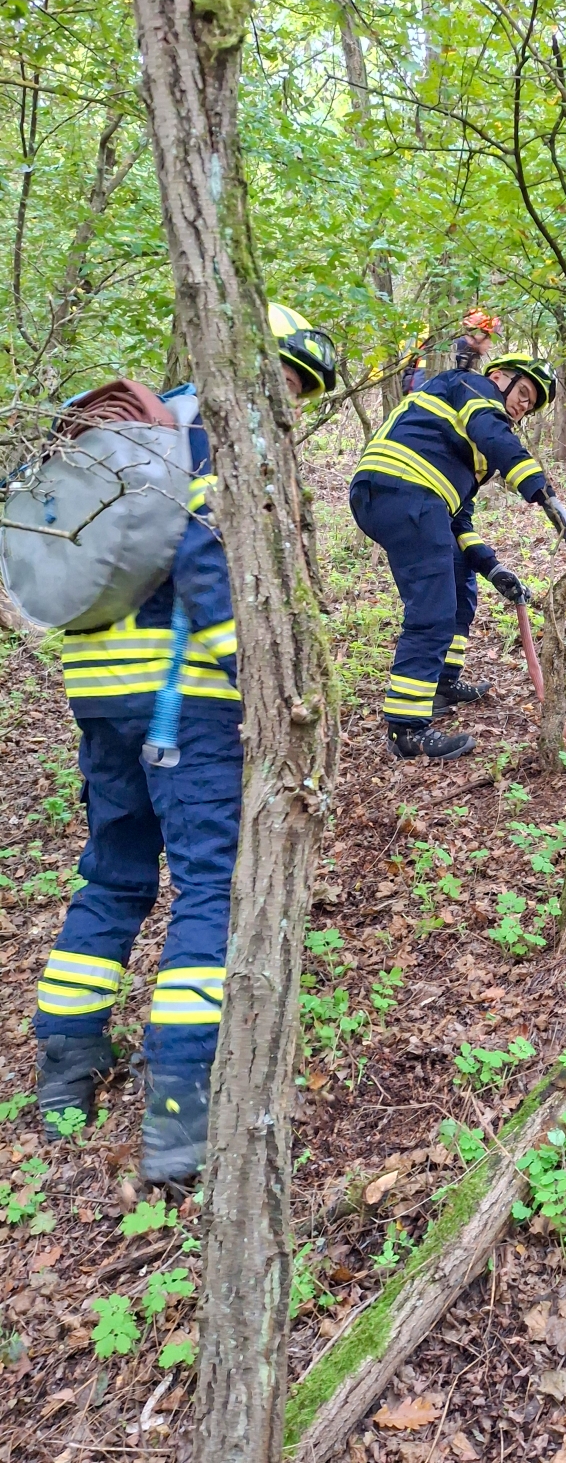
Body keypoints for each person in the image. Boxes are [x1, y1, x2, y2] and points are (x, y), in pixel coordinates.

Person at [33, 303, 336, 1182]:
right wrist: (263, 681)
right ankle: (179, 1109)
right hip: (182, 700)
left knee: (114, 872)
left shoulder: (131, 437)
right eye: (290, 379)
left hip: (98, 694)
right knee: (210, 884)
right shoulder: (208, 438)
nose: (290, 401)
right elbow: (206, 563)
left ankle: (65, 1073)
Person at [351, 354, 566, 760]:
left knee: (459, 578)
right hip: (405, 490)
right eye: (524, 393)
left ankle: (442, 683)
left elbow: (459, 518)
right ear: (499, 377)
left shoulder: (463, 442)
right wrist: (542, 492)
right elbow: (493, 432)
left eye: (530, 405)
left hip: (409, 497)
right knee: (432, 609)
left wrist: (492, 566)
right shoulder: (473, 387)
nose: (523, 407)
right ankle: (406, 729)